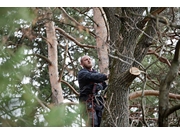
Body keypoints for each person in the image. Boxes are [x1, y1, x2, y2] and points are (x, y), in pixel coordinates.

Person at [77, 55, 108, 127]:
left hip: (99, 104)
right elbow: (92, 77)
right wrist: (105, 76)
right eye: (86, 60)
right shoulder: (82, 73)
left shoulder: (97, 74)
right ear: (81, 64)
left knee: (102, 124)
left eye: (89, 59)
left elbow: (105, 87)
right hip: (88, 103)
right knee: (94, 124)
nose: (88, 60)